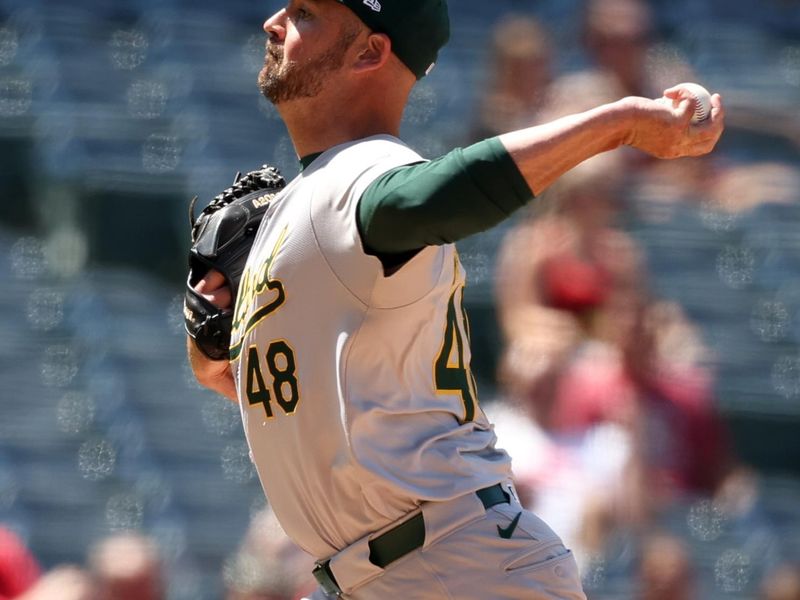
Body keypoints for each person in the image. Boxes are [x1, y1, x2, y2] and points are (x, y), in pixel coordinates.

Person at [186, 1, 725, 598]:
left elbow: (440, 195)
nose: (274, 22)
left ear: (371, 51)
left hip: (453, 564)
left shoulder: (364, 173)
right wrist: (208, 330)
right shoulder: (308, 206)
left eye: (306, 12)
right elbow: (227, 377)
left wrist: (617, 125)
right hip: (398, 569)